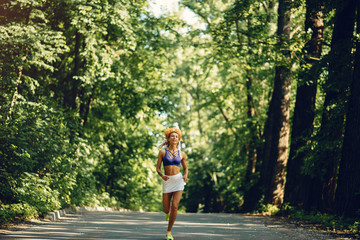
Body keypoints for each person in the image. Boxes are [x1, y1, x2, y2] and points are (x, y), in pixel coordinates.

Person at [156, 127, 189, 240]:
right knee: (166, 208)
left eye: (176, 136)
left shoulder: (182, 154)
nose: (174, 138)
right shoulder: (162, 152)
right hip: (167, 180)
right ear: (168, 139)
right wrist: (162, 176)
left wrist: (185, 175)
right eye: (172, 136)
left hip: (178, 181)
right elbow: (158, 168)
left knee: (175, 206)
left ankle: (169, 231)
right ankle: (167, 213)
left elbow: (185, 168)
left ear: (178, 139)